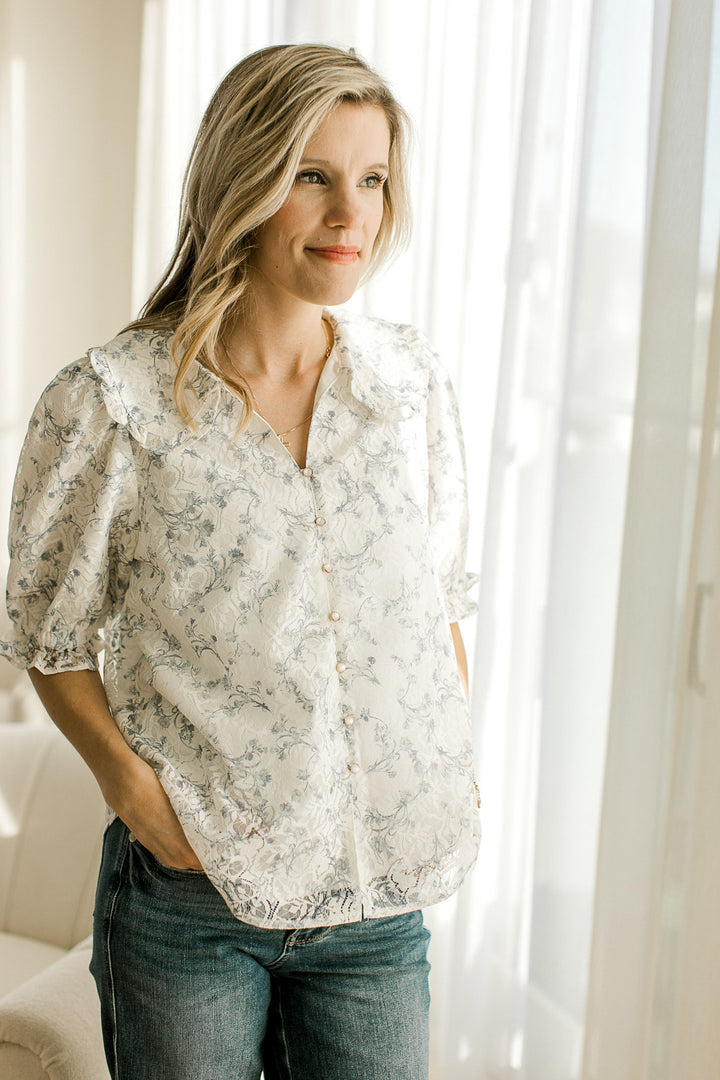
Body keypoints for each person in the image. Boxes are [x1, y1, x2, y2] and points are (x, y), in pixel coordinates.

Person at [0, 43, 481, 1080]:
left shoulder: (409, 388)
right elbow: (47, 630)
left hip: (376, 905)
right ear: (243, 177)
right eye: (313, 177)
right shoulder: (111, 405)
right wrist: (132, 792)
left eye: (372, 179)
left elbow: (439, 599)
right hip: (192, 905)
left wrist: (429, 752)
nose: (351, 216)